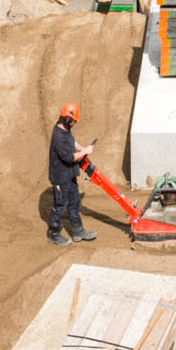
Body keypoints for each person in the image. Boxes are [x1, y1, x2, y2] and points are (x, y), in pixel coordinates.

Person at [48, 101, 98, 246]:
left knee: (74, 203)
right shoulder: (57, 136)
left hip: (69, 174)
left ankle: (78, 231)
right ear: (67, 119)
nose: (74, 123)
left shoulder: (65, 129)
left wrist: (83, 149)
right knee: (60, 206)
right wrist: (85, 152)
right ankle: (53, 234)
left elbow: (72, 142)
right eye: (74, 121)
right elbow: (69, 157)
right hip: (60, 177)